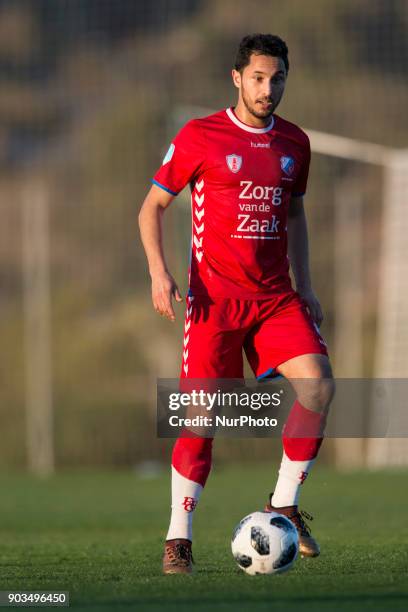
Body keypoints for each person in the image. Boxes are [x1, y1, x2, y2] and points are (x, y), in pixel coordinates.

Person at [139, 33, 335, 574]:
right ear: (237, 78)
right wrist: (160, 272)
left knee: (318, 386)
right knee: (202, 419)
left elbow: (295, 216)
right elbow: (151, 208)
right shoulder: (201, 135)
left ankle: (285, 505)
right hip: (213, 303)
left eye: (277, 79)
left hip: (275, 299)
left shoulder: (295, 143)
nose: (267, 88)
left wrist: (307, 284)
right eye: (257, 78)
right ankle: (179, 539)